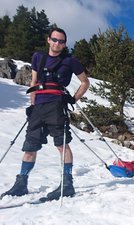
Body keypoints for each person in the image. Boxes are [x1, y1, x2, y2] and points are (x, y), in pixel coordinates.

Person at [1, 28, 90, 201]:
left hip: (56, 105)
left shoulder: (70, 61)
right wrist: (32, 105)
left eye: (61, 41)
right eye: (55, 40)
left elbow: (85, 82)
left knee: (61, 144)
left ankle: (67, 184)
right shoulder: (38, 57)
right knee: (30, 145)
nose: (58, 43)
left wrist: (73, 99)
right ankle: (21, 183)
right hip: (39, 107)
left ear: (64, 44)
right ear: (48, 40)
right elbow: (34, 83)